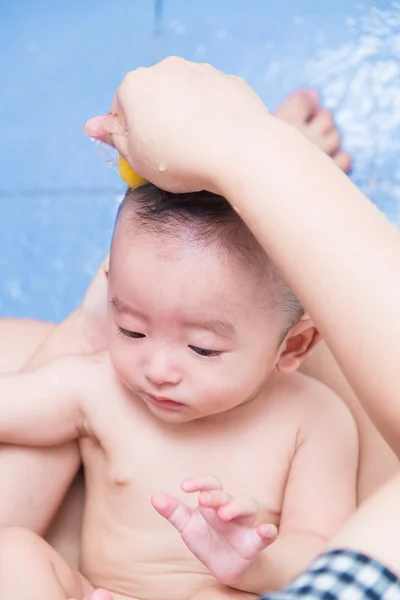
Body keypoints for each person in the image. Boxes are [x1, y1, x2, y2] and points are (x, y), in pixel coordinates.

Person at [0, 182, 358, 599]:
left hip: (226, 592)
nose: (158, 370)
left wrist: (256, 564)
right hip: (99, 592)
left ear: (294, 344)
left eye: (202, 349)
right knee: (13, 552)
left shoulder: (313, 419)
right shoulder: (98, 386)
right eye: (132, 330)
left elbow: (325, 550)